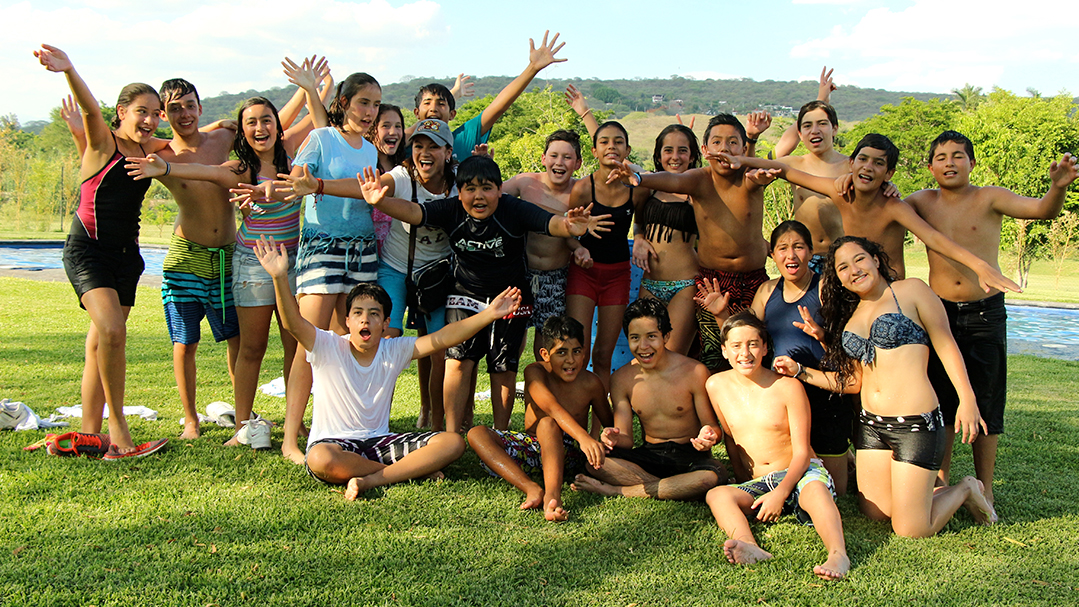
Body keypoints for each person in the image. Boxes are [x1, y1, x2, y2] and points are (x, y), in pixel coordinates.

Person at [127, 77, 328, 446]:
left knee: (295, 346)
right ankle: (242, 426)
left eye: (266, 120)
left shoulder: (294, 157)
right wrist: (165, 170)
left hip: (292, 262)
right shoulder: (239, 168)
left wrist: (314, 87)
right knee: (251, 348)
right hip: (252, 263)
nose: (260, 128)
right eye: (251, 123)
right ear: (243, 132)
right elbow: (204, 171)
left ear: (276, 125)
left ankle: (295, 422)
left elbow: (318, 123)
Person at [356, 155, 610, 434]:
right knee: (458, 361)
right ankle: (451, 435)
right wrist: (380, 202)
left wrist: (569, 226)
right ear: (459, 192)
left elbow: (549, 222)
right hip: (464, 294)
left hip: (511, 297)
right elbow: (414, 212)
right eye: (470, 189)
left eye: (487, 188)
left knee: (503, 366)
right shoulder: (451, 209)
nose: (479, 196)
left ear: (500, 190)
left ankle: (501, 433)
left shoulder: (513, 209)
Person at [252, 236, 521, 498]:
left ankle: (373, 478)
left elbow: (444, 337)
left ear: (385, 323)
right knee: (320, 459)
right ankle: (408, 470)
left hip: (380, 443)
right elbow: (292, 323)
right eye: (358, 313)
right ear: (347, 321)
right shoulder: (327, 344)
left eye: (374, 314)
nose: (365, 320)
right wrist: (279, 277)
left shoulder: (392, 349)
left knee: (452, 442)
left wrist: (490, 314)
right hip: (334, 444)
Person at [776, 236, 997, 537]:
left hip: (915, 424)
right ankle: (922, 494)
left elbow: (946, 344)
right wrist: (800, 371)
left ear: (876, 260)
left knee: (910, 529)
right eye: (843, 267)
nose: (854, 270)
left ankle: (966, 489)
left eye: (859, 259)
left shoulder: (911, 291)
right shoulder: (850, 316)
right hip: (871, 426)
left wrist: (967, 399)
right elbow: (852, 382)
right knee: (876, 512)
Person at [907, 131, 1078, 506]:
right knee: (941, 400)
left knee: (986, 399)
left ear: (972, 163)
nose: (949, 163)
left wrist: (1058, 187)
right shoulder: (921, 201)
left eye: (958, 156)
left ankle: (985, 488)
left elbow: (1042, 210)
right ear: (930, 166)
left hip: (984, 312)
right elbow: (882, 208)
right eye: (941, 157)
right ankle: (941, 484)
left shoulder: (990, 197)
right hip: (939, 313)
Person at [280, 119, 458, 431]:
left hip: (436, 274)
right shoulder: (402, 176)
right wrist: (319, 185)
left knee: (440, 350)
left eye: (433, 146)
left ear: (448, 152)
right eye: (419, 145)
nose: (425, 153)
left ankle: (436, 420)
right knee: (383, 338)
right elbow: (364, 187)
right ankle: (373, 419)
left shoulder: (457, 184)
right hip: (395, 267)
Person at [35, 44, 168, 459]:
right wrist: (69, 70)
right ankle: (118, 433)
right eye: (141, 111)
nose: (149, 120)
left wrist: (220, 124)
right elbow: (91, 110)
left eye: (156, 113)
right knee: (112, 332)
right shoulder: (102, 141)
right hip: (88, 251)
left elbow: (188, 141)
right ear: (121, 112)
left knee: (99, 345)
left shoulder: (150, 150)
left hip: (128, 258)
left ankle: (88, 436)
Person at [717, 135, 1020, 297]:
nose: (868, 167)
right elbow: (786, 170)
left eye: (878, 163)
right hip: (853, 288)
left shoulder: (893, 206)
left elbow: (933, 238)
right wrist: (741, 160)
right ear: (851, 163)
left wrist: (979, 265)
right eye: (862, 159)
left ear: (889, 173)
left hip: (889, 292)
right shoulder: (840, 192)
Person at [606, 114, 781, 372]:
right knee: (706, 356)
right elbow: (665, 183)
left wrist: (753, 145)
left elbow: (766, 173)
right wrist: (640, 184)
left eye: (732, 142)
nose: (724, 148)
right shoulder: (685, 181)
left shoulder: (736, 179)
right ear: (706, 149)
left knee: (751, 351)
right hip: (686, 281)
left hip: (723, 283)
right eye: (717, 142)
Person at [698, 221, 852, 494]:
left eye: (798, 247)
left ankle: (847, 458)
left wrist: (821, 334)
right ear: (772, 254)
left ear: (811, 251)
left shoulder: (825, 288)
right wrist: (722, 314)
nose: (791, 255)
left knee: (836, 488)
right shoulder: (768, 291)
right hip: (781, 397)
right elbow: (746, 337)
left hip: (825, 395)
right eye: (783, 248)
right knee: (794, 469)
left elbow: (847, 349)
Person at [280, 72, 382, 464]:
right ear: (343, 103)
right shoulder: (321, 138)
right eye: (363, 102)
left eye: (375, 104)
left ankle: (338, 430)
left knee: (346, 344)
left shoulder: (370, 151)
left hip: (363, 249)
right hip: (323, 246)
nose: (370, 112)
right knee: (311, 344)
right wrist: (300, 181)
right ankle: (291, 438)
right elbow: (298, 180)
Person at [704, 312, 849, 581]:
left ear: (765, 347)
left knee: (816, 491)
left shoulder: (788, 387)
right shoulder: (715, 385)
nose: (745, 353)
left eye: (753, 344)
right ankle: (749, 545)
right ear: (724, 350)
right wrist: (742, 481)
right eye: (736, 346)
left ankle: (838, 554)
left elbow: (803, 452)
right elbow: (731, 440)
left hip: (800, 472)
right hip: (761, 482)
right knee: (717, 496)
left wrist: (780, 494)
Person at [571, 299, 726, 500]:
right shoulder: (621, 379)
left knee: (710, 477)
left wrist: (709, 436)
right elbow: (626, 439)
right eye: (635, 338)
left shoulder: (694, 371)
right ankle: (678, 487)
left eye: (651, 336)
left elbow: (712, 427)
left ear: (666, 336)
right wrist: (614, 437)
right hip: (650, 455)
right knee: (594, 462)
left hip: (690, 455)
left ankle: (618, 491)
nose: (643, 346)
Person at [468, 316, 613, 521]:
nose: (570, 360)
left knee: (547, 424)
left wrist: (605, 437)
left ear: (584, 352)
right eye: (561, 352)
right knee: (477, 433)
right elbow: (551, 407)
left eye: (576, 351)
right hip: (533, 448)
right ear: (545, 354)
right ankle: (531, 487)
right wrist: (584, 437)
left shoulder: (591, 383)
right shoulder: (534, 372)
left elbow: (610, 422)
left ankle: (553, 498)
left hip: (570, 452)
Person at [566, 121, 651, 391]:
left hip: (618, 274)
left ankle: (600, 416)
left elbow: (640, 222)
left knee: (604, 354)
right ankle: (577, 411)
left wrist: (639, 237)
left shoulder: (637, 188)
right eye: (604, 142)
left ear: (627, 150)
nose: (611, 146)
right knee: (578, 351)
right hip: (584, 273)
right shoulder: (583, 188)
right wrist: (578, 247)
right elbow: (567, 231)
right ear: (594, 151)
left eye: (618, 141)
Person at [408, 31, 566, 162]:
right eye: (427, 103)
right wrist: (454, 94)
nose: (433, 108)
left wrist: (533, 68)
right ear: (416, 112)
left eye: (441, 104)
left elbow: (498, 106)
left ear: (452, 114)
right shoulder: (407, 144)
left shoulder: (462, 139)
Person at [502, 130, 584, 360]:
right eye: (554, 156)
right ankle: (510, 378)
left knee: (547, 342)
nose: (559, 162)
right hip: (521, 274)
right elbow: (491, 194)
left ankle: (542, 382)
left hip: (556, 277)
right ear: (543, 158)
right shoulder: (525, 182)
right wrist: (484, 164)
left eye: (567, 157)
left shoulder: (580, 191)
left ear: (578, 163)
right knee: (512, 340)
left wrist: (580, 248)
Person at [631, 123, 702, 354]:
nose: (675, 157)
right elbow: (639, 221)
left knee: (670, 355)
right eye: (668, 150)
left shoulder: (699, 190)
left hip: (685, 284)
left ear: (692, 156)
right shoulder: (648, 185)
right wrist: (638, 238)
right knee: (645, 352)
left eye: (683, 150)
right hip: (650, 283)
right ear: (659, 155)